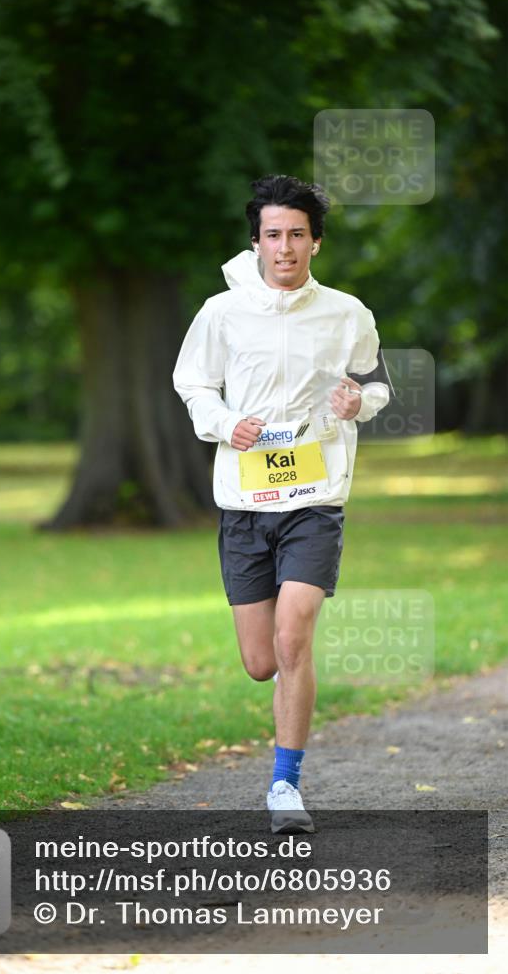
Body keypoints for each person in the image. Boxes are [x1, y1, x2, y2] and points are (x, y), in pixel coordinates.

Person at [172, 174, 392, 833]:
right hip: (245, 500)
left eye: (297, 234)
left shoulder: (347, 313)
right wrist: (223, 423)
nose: (285, 247)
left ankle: (284, 785)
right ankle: (281, 684)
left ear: (315, 242)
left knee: (294, 635)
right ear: (257, 242)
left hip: (315, 497)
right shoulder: (221, 312)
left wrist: (359, 402)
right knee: (261, 661)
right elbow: (192, 383)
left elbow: (375, 383)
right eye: (273, 235)